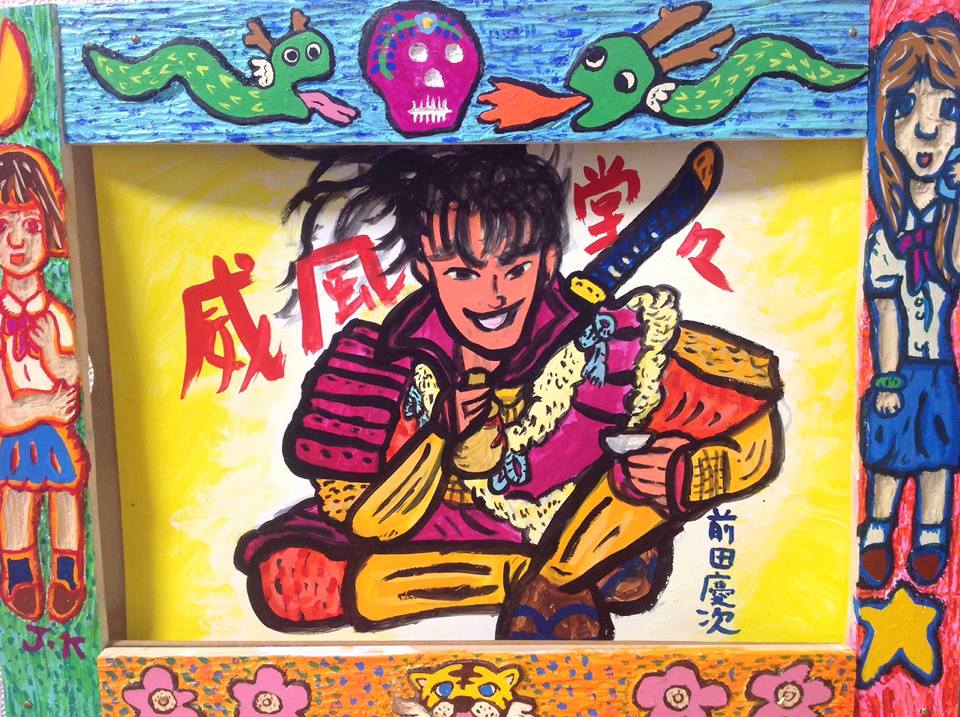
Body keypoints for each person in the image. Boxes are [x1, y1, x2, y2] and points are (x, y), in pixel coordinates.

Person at [236, 146, 783, 639]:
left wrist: (690, 473)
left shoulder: (604, 343)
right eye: (463, 273)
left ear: (548, 261)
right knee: (288, 582)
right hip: (442, 540)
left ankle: (569, 569)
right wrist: (442, 435)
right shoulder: (376, 363)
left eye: (515, 268)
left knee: (636, 479)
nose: (492, 296)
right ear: (426, 267)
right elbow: (371, 524)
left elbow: (755, 432)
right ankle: (547, 577)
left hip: (584, 515)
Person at [860, 14, 960, 589]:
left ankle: (930, 534)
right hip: (900, 368)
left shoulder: (951, 226)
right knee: (889, 451)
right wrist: (889, 379)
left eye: (948, 111)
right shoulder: (883, 237)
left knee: (938, 454)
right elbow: (886, 313)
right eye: (905, 108)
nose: (927, 130)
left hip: (940, 365)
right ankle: (876, 530)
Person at [0, 146, 86, 623]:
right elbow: (5, 410)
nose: (17, 241)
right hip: (20, 434)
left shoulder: (57, 315)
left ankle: (67, 574)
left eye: (30, 225)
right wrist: (47, 405)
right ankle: (19, 575)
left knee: (65, 495)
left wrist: (55, 358)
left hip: (53, 434)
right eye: (3, 227)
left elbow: (78, 380)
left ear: (50, 229)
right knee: (16, 498)